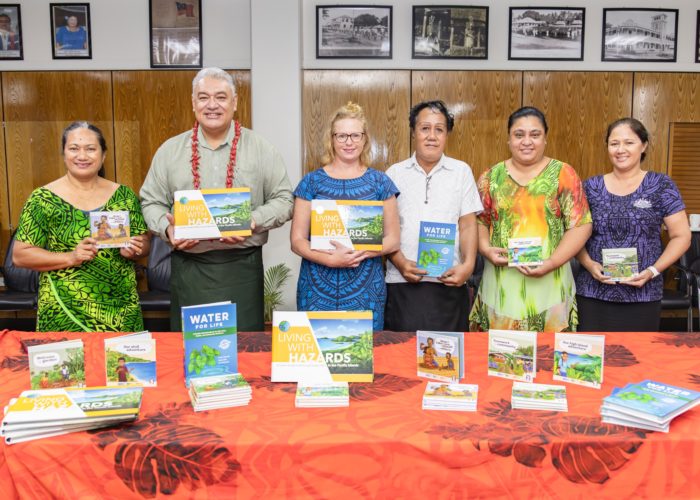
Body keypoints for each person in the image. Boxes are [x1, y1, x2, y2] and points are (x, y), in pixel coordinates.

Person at [140, 67, 293, 331]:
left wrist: (250, 221)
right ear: (193, 103)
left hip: (242, 268)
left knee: (244, 353)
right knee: (192, 355)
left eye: (221, 97)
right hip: (189, 269)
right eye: (203, 97)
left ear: (235, 102)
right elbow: (151, 201)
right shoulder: (170, 151)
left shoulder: (261, 149)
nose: (212, 105)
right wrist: (168, 229)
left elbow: (284, 199)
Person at [13, 121, 149, 332]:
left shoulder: (124, 196)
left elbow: (144, 244)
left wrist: (136, 249)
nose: (82, 156)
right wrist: (71, 257)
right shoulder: (42, 199)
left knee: (123, 366)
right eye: (74, 148)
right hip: (63, 311)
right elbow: (20, 256)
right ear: (64, 154)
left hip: (121, 311)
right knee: (70, 366)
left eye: (90, 149)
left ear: (103, 155)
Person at [469, 107, 592, 332]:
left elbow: (581, 225)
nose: (527, 141)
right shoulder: (490, 177)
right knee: (502, 358)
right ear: (508, 139)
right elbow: (479, 222)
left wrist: (551, 263)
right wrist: (486, 249)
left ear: (545, 138)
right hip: (502, 282)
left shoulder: (563, 173)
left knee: (550, 356)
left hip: (551, 282)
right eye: (519, 134)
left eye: (535, 135)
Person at [290, 102, 400, 330]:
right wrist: (331, 259)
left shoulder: (381, 183)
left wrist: (359, 253)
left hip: (366, 287)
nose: (348, 142)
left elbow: (393, 240)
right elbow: (297, 240)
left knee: (366, 359)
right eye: (341, 136)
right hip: (316, 286)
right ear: (331, 139)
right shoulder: (310, 182)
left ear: (365, 139)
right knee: (317, 358)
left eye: (355, 135)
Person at [575, 118, 691, 332]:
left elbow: (681, 236)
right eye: (614, 143)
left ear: (644, 145)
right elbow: (573, 236)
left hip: (643, 293)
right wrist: (590, 265)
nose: (621, 149)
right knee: (593, 360)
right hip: (593, 292)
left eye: (629, 142)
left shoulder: (661, 185)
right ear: (607, 147)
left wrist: (653, 271)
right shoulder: (589, 187)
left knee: (638, 360)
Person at [384, 100, 482, 332]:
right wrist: (400, 262)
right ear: (414, 132)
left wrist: (467, 267)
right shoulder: (393, 174)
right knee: (402, 358)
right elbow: (386, 229)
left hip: (449, 282)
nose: (432, 136)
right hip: (402, 282)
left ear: (447, 135)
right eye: (425, 128)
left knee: (447, 361)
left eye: (439, 129)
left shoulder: (461, 172)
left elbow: (468, 225)